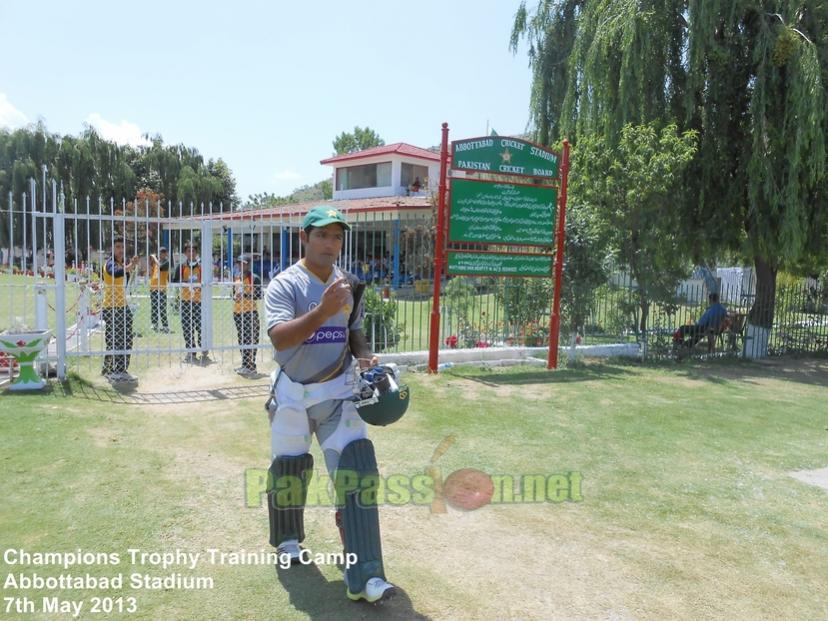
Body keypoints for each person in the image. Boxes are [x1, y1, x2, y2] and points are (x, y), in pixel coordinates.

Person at [264, 206, 396, 604]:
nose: (330, 243)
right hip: (291, 394)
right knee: (289, 466)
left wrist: (366, 356)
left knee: (357, 472)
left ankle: (366, 573)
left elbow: (353, 332)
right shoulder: (284, 285)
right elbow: (280, 339)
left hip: (338, 392)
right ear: (304, 237)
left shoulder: (349, 284)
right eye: (322, 235)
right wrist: (322, 310)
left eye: (337, 236)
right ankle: (288, 540)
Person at [101, 237, 140, 383]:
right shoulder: (109, 264)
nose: (120, 250)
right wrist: (130, 265)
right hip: (111, 308)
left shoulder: (121, 264)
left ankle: (118, 369)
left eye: (122, 247)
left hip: (123, 306)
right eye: (117, 247)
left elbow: (125, 278)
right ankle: (113, 370)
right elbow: (116, 273)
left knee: (126, 338)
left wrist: (131, 266)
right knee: (114, 339)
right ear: (112, 248)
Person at [171, 243, 209, 364]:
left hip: (198, 302)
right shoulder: (181, 267)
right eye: (188, 251)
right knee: (187, 327)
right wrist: (185, 282)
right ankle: (191, 350)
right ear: (185, 253)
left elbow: (206, 283)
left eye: (193, 251)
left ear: (196, 253)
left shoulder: (201, 268)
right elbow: (173, 281)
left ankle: (203, 347)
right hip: (185, 301)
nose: (191, 253)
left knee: (200, 325)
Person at [232, 255, 262, 377]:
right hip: (238, 312)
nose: (241, 265)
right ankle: (245, 364)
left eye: (243, 263)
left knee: (251, 339)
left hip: (250, 312)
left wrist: (245, 295)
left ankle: (251, 365)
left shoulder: (254, 278)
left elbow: (259, 295)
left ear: (248, 264)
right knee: (242, 339)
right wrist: (235, 297)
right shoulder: (237, 278)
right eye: (239, 263)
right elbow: (233, 294)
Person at [149, 247, 172, 333]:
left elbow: (161, 267)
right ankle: (154, 324)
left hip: (161, 289)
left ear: (165, 254)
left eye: (162, 253)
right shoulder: (156, 262)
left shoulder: (166, 262)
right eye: (159, 253)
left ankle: (165, 326)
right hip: (153, 288)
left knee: (162, 307)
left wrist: (154, 258)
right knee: (154, 307)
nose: (160, 254)